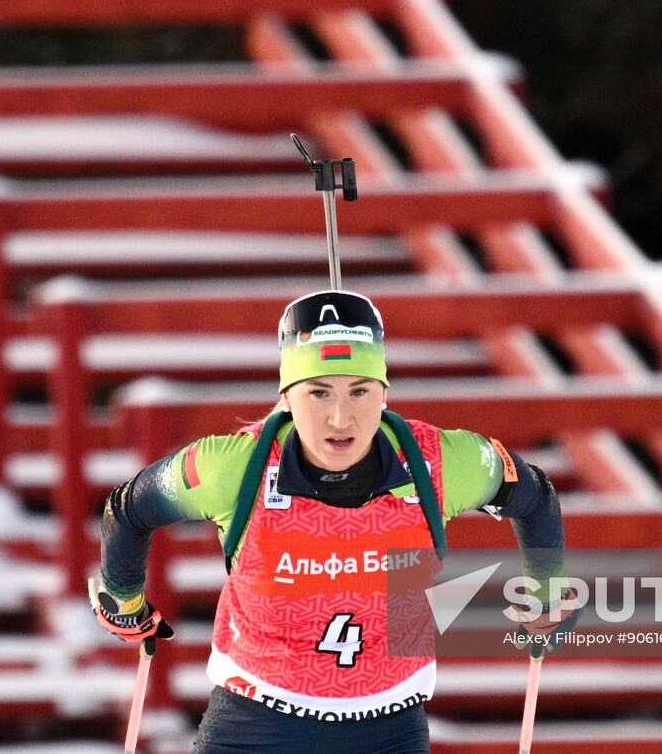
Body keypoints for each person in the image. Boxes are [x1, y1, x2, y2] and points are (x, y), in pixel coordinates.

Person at [92, 290, 567, 753]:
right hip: (255, 723)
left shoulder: (441, 463)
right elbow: (129, 508)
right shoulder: (232, 469)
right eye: (319, 393)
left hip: (389, 726)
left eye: (359, 390)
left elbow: (535, 498)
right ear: (287, 396)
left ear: (383, 392)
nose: (341, 417)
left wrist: (545, 593)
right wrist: (124, 601)